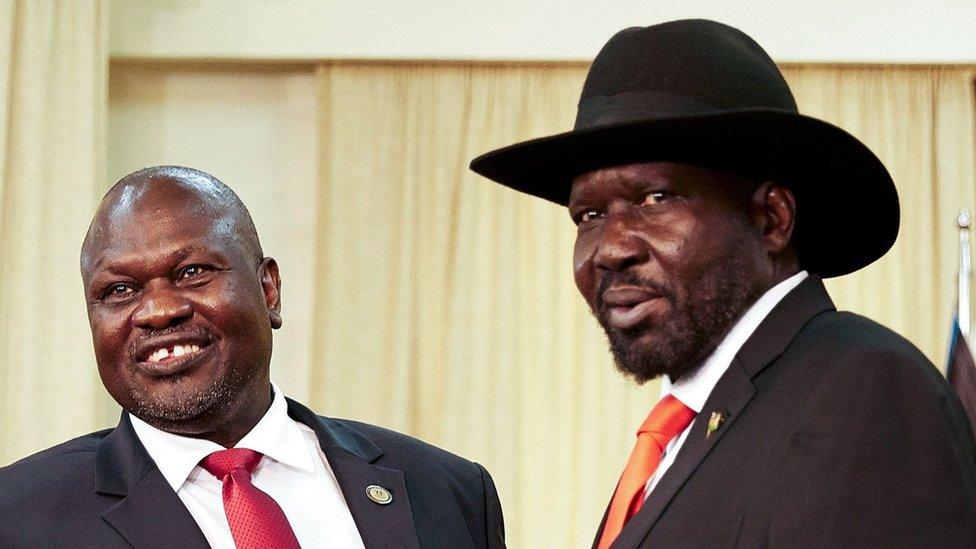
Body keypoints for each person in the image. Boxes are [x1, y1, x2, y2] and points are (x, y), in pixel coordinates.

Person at [470, 19, 976, 547]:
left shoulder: (863, 389)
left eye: (655, 199)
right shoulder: (684, 432)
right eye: (588, 216)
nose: (611, 248)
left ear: (772, 220)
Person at [0, 166, 505, 549]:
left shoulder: (445, 490)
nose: (158, 311)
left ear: (269, 290)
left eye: (192, 272)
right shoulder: (19, 517)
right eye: (120, 289)